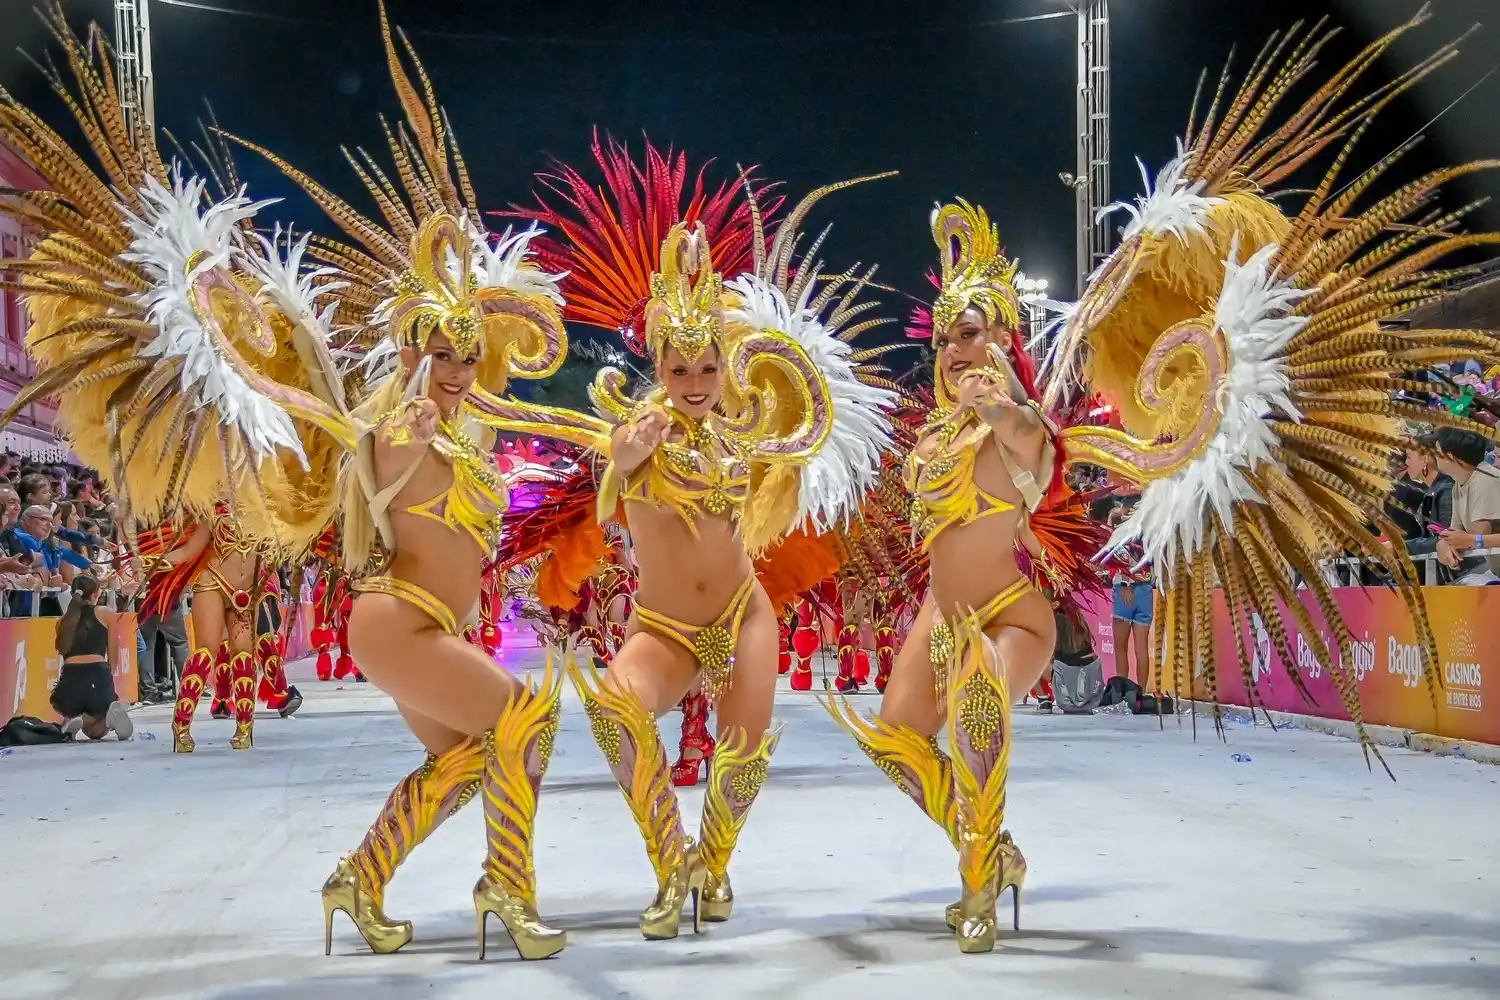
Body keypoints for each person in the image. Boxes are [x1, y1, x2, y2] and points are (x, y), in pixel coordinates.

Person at [507, 138, 896, 940]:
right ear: (658, 363)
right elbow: (611, 500)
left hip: (743, 616)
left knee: (742, 750)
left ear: (728, 370)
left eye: (707, 371)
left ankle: (713, 870)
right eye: (679, 370)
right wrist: (623, 459)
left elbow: (792, 472)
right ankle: (671, 860)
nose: (692, 386)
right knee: (616, 711)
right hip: (664, 628)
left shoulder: (744, 438)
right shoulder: (632, 430)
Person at [824, 201, 1061, 954]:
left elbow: (1029, 438)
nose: (955, 351)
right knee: (894, 736)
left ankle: (978, 887)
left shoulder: (1023, 426)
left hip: (1012, 617)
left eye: (972, 333)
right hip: (942, 612)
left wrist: (1002, 410)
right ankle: (995, 849)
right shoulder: (934, 434)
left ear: (1004, 338)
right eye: (946, 336)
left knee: (979, 705)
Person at [51, 574, 133, 742]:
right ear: (96, 594)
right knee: (96, 731)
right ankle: (106, 717)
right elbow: (113, 651)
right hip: (98, 676)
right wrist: (109, 683)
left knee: (87, 727)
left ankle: (73, 718)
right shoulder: (106, 614)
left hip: (70, 683)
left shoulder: (63, 621)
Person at [1433, 427, 1500, 585]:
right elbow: (1455, 533)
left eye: (1436, 451)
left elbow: (1479, 534)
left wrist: (1471, 540)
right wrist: (1443, 544)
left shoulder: (1487, 480)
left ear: (1450, 456)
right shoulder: (1458, 484)